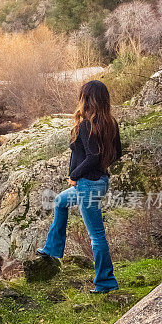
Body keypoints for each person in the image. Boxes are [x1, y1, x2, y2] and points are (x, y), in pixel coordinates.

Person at [37, 80, 122, 293]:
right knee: (60, 201)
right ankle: (52, 248)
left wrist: (74, 175)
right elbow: (116, 153)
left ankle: (106, 282)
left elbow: (93, 156)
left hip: (86, 185)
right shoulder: (111, 123)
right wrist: (98, 170)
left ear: (87, 99)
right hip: (99, 182)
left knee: (96, 236)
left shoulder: (86, 125)